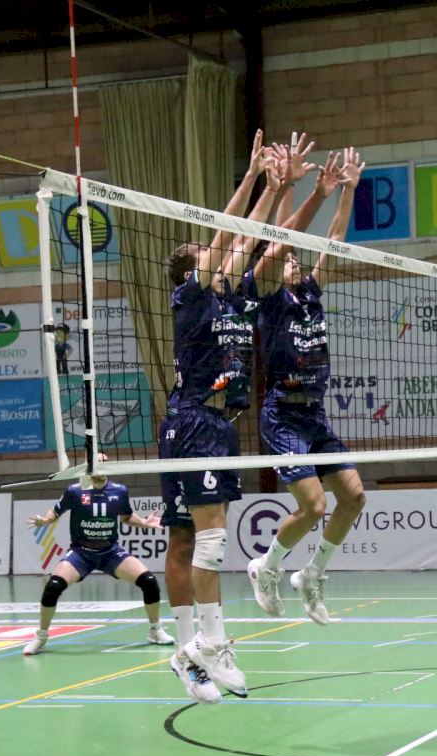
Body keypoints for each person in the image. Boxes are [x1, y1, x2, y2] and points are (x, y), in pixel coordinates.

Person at [160, 132, 283, 704]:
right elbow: (227, 232)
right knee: (204, 541)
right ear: (194, 270)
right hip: (194, 422)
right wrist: (251, 177)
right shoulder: (191, 296)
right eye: (207, 254)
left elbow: (246, 237)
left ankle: (189, 653)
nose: (222, 257)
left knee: (197, 539)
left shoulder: (226, 297)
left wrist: (274, 188)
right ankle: (209, 644)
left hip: (210, 423)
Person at [243, 147, 368, 626]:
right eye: (288, 257)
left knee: (353, 497)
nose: (293, 261)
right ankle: (266, 566)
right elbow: (279, 241)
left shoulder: (311, 292)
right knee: (313, 506)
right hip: (282, 415)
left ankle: (311, 574)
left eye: (297, 258)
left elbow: (334, 239)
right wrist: (291, 188)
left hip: (314, 414)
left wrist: (348, 191)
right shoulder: (269, 299)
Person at [23, 468, 172, 656]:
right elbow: (55, 512)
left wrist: (144, 522)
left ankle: (155, 630)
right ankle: (41, 636)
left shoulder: (120, 491)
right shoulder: (75, 491)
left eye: (103, 463)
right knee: (53, 587)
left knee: (149, 581)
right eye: (96, 462)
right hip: (81, 553)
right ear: (89, 467)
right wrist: (44, 521)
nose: (100, 467)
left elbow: (126, 516)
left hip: (110, 552)